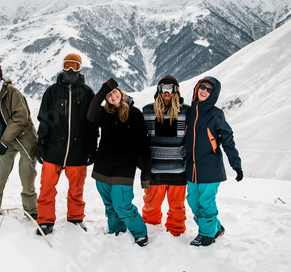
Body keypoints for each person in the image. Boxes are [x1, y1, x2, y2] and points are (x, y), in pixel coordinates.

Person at [35, 53, 98, 235]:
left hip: (78, 149)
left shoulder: (87, 93)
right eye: (68, 65)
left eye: (75, 66)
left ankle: (75, 218)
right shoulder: (52, 91)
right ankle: (46, 220)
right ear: (62, 67)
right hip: (54, 147)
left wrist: (92, 147)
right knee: (47, 186)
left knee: (76, 187)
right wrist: (41, 143)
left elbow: (92, 124)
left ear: (80, 69)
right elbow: (44, 120)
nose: (71, 70)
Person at [87, 78, 151, 247]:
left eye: (114, 92)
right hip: (102, 167)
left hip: (124, 169)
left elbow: (143, 142)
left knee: (122, 205)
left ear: (121, 93)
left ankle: (140, 233)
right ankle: (117, 231)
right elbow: (90, 113)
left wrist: (145, 168)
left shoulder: (135, 113)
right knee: (110, 206)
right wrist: (102, 90)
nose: (112, 96)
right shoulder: (103, 113)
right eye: (108, 94)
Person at [185, 76, 243, 246]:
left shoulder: (216, 114)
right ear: (197, 88)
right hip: (191, 168)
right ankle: (216, 227)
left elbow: (228, 140)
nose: (205, 91)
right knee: (193, 203)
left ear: (214, 93)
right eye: (202, 87)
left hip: (210, 168)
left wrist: (236, 164)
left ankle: (207, 235)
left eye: (209, 90)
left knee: (206, 203)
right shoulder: (189, 111)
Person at [0, 63, 39, 218]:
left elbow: (20, 117)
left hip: (25, 139)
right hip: (4, 142)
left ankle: (32, 211)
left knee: (27, 177)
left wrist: (5, 141)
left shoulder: (11, 92)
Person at [142, 75, 189, 237]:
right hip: (155, 169)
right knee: (151, 206)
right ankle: (151, 231)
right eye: (163, 89)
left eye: (170, 88)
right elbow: (140, 137)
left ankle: (176, 234)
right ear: (158, 91)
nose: (166, 92)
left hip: (178, 169)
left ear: (176, 91)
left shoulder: (186, 112)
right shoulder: (148, 111)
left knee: (177, 207)